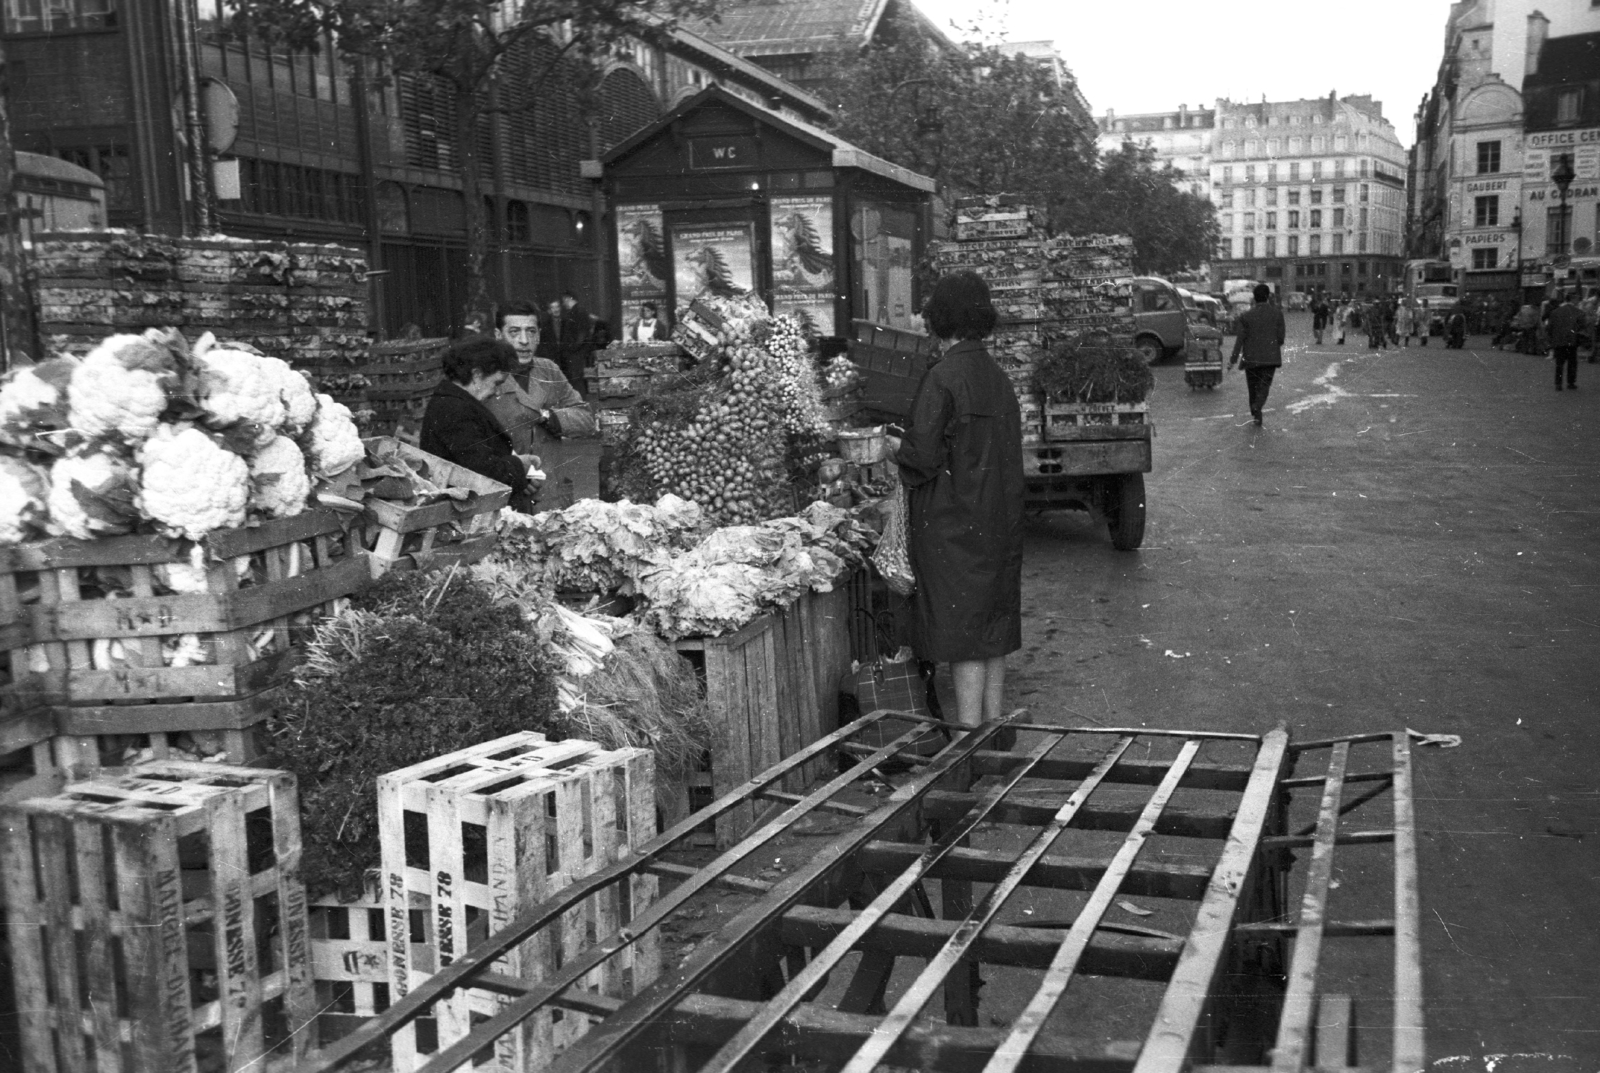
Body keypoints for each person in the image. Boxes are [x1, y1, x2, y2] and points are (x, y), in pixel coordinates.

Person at [883, 271, 1023, 728]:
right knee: (993, 631)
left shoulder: (942, 378)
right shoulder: (998, 378)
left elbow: (922, 458)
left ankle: (967, 738)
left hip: (953, 528)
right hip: (998, 523)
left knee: (965, 637)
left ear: (941, 317)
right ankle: (994, 728)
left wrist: (895, 448)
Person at [420, 337, 537, 509]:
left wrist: (520, 475)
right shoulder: (454, 409)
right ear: (476, 375)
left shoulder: (454, 402)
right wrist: (521, 466)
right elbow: (482, 471)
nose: (497, 392)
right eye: (497, 383)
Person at [485, 299, 596, 455]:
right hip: (506, 469)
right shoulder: (485, 376)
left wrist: (549, 417)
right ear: (498, 335)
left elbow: (586, 419)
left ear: (538, 335)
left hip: (549, 469)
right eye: (514, 332)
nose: (524, 341)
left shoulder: (548, 370)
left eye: (531, 331)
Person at [1229, 282, 1285, 427]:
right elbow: (1281, 338)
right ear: (1268, 297)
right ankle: (1258, 406)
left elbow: (1240, 339)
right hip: (1270, 358)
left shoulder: (1246, 316)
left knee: (1252, 387)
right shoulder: (1277, 314)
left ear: (1254, 298)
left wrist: (1233, 360)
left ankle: (1256, 414)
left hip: (1251, 358)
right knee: (1264, 386)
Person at [1547, 291, 1583, 391]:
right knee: (1572, 362)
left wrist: (1552, 338)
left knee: (1559, 363)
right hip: (1572, 340)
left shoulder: (1555, 312)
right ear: (1573, 299)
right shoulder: (1578, 312)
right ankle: (1571, 382)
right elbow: (1582, 326)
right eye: (1577, 298)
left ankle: (1558, 384)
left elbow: (1550, 327)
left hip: (1559, 340)